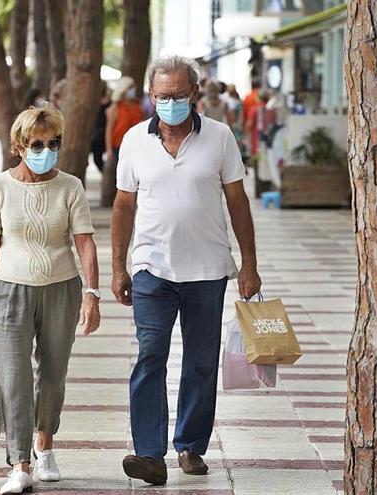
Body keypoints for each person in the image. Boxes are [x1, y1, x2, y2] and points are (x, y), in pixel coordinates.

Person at [111, 56, 261, 485]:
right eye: (162, 96)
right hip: (151, 269)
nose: (170, 103)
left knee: (199, 362)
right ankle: (150, 453)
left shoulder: (219, 137)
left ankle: (191, 445)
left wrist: (249, 264)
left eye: (178, 95)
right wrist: (119, 267)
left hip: (207, 270)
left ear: (195, 94)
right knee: (150, 353)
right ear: (151, 96)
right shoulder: (135, 140)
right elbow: (124, 205)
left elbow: (237, 201)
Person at [0, 104, 102, 494]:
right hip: (9, 290)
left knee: (52, 374)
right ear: (18, 145)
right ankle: (20, 463)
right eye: (37, 143)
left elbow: (85, 241)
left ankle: (45, 444)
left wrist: (92, 294)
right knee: (15, 377)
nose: (46, 150)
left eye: (53, 142)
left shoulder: (70, 186)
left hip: (61, 288)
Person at [105, 76, 144, 169]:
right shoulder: (115, 108)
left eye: (133, 87)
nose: (133, 90)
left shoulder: (137, 106)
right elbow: (109, 129)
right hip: (119, 146)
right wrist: (109, 150)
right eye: (130, 87)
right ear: (123, 89)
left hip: (136, 144)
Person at [90, 84, 112, 172]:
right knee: (97, 159)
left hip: (104, 133)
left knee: (99, 159)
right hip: (97, 136)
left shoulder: (110, 103)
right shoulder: (94, 103)